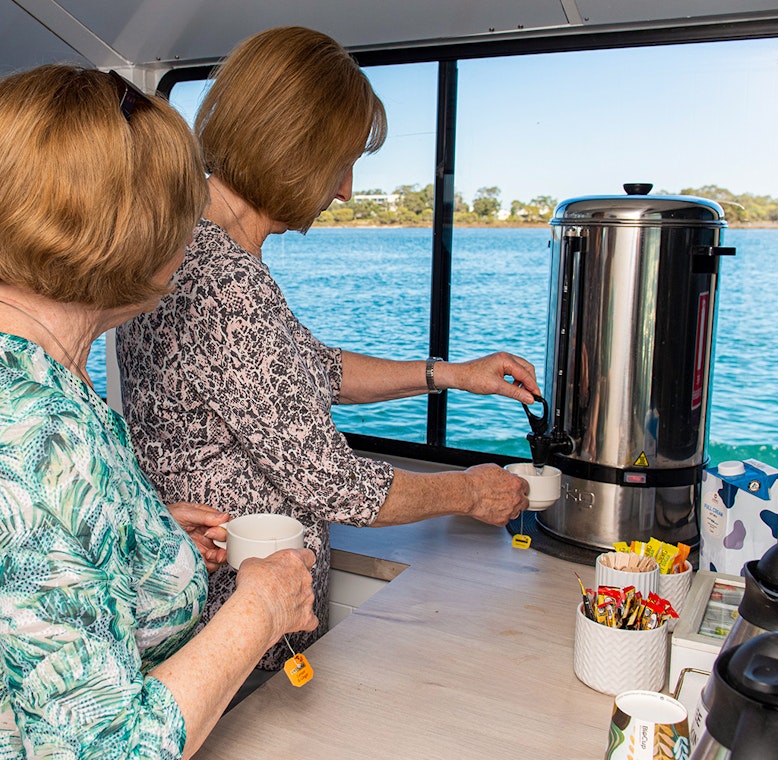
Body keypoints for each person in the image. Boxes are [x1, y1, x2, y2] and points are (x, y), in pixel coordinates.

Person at [0, 64, 317, 760]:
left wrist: (139, 535)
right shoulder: (27, 431)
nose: (194, 233)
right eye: (182, 212)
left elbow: (3, 549)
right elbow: (108, 749)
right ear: (129, 231)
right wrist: (259, 609)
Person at [116, 26, 542, 687]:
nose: (344, 189)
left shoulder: (188, 243)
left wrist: (449, 375)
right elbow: (331, 482)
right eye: (340, 162)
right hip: (230, 632)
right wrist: (471, 490)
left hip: (203, 617)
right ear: (292, 150)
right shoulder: (226, 281)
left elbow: (307, 371)